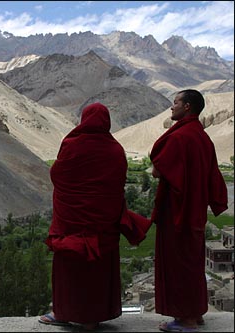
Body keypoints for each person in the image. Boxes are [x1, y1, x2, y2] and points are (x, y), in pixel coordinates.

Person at [38, 102, 151, 330]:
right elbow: (118, 183)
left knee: (70, 271)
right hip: (103, 223)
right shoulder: (115, 150)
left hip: (73, 221)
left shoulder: (72, 144)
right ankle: (93, 317)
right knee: (98, 272)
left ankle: (63, 312)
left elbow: (58, 175)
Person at [150, 89, 228, 332]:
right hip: (195, 212)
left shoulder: (180, 137)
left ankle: (186, 320)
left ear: (187, 107)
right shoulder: (203, 137)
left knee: (178, 264)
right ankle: (196, 312)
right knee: (192, 263)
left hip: (177, 213)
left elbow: (158, 170)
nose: (171, 107)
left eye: (175, 103)